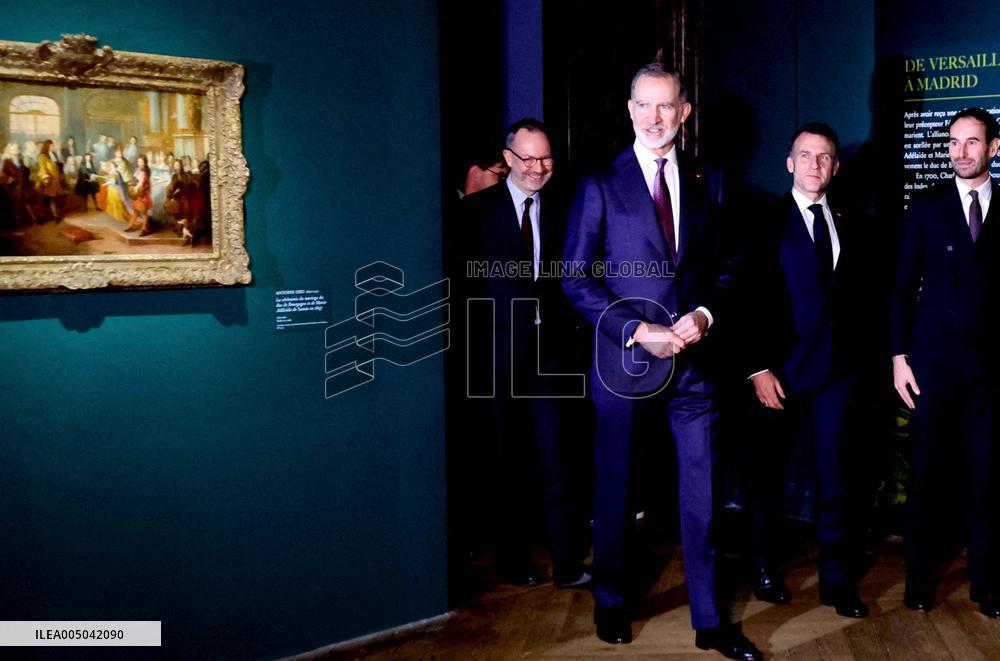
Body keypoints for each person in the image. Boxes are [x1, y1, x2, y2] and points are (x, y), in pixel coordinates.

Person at [562, 63, 759, 659]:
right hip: (625, 364)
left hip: (695, 368)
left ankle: (708, 617)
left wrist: (702, 316)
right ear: (629, 110)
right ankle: (613, 602)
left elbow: (728, 267)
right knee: (618, 488)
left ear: (684, 112)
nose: (654, 118)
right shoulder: (599, 183)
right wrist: (638, 329)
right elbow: (575, 277)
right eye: (643, 106)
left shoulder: (709, 181)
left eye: (665, 107)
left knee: (701, 492)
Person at [740, 122, 868, 618]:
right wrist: (757, 368)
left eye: (825, 157)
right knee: (767, 478)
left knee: (837, 480)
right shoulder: (762, 219)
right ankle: (765, 569)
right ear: (789, 163)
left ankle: (837, 583)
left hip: (836, 374)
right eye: (805, 155)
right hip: (781, 373)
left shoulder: (851, 219)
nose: (815, 165)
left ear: (835, 167)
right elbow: (745, 299)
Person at [459, 119, 591, 590]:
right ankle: (513, 562)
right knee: (505, 461)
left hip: (552, 357)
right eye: (529, 158)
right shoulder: (476, 212)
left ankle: (568, 563)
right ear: (509, 158)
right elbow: (462, 289)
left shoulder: (567, 207)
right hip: (495, 359)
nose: (538, 168)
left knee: (559, 458)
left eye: (546, 158)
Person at [890, 107, 1000, 618]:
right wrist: (897, 355)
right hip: (933, 365)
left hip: (991, 372)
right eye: (954, 143)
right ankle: (918, 579)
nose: (960, 152)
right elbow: (901, 286)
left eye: (972, 143)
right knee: (928, 477)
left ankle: (987, 583)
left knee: (988, 477)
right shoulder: (927, 206)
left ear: (993, 148)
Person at [34, 139, 62, 223]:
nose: (53, 147)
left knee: (53, 199)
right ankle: (43, 218)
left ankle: (55, 216)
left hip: (54, 181)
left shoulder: (53, 154)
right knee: (45, 201)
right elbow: (43, 168)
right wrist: (45, 177)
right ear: (47, 146)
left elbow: (56, 167)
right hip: (46, 182)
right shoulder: (42, 156)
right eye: (51, 145)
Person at [126, 155, 154, 234]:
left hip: (143, 194)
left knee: (144, 212)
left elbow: (142, 183)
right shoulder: (137, 170)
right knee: (135, 210)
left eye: (141, 161)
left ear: (145, 163)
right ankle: (131, 226)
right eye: (138, 161)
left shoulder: (145, 172)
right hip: (137, 193)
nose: (139, 163)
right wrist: (131, 184)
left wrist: (136, 189)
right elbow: (134, 180)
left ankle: (144, 229)